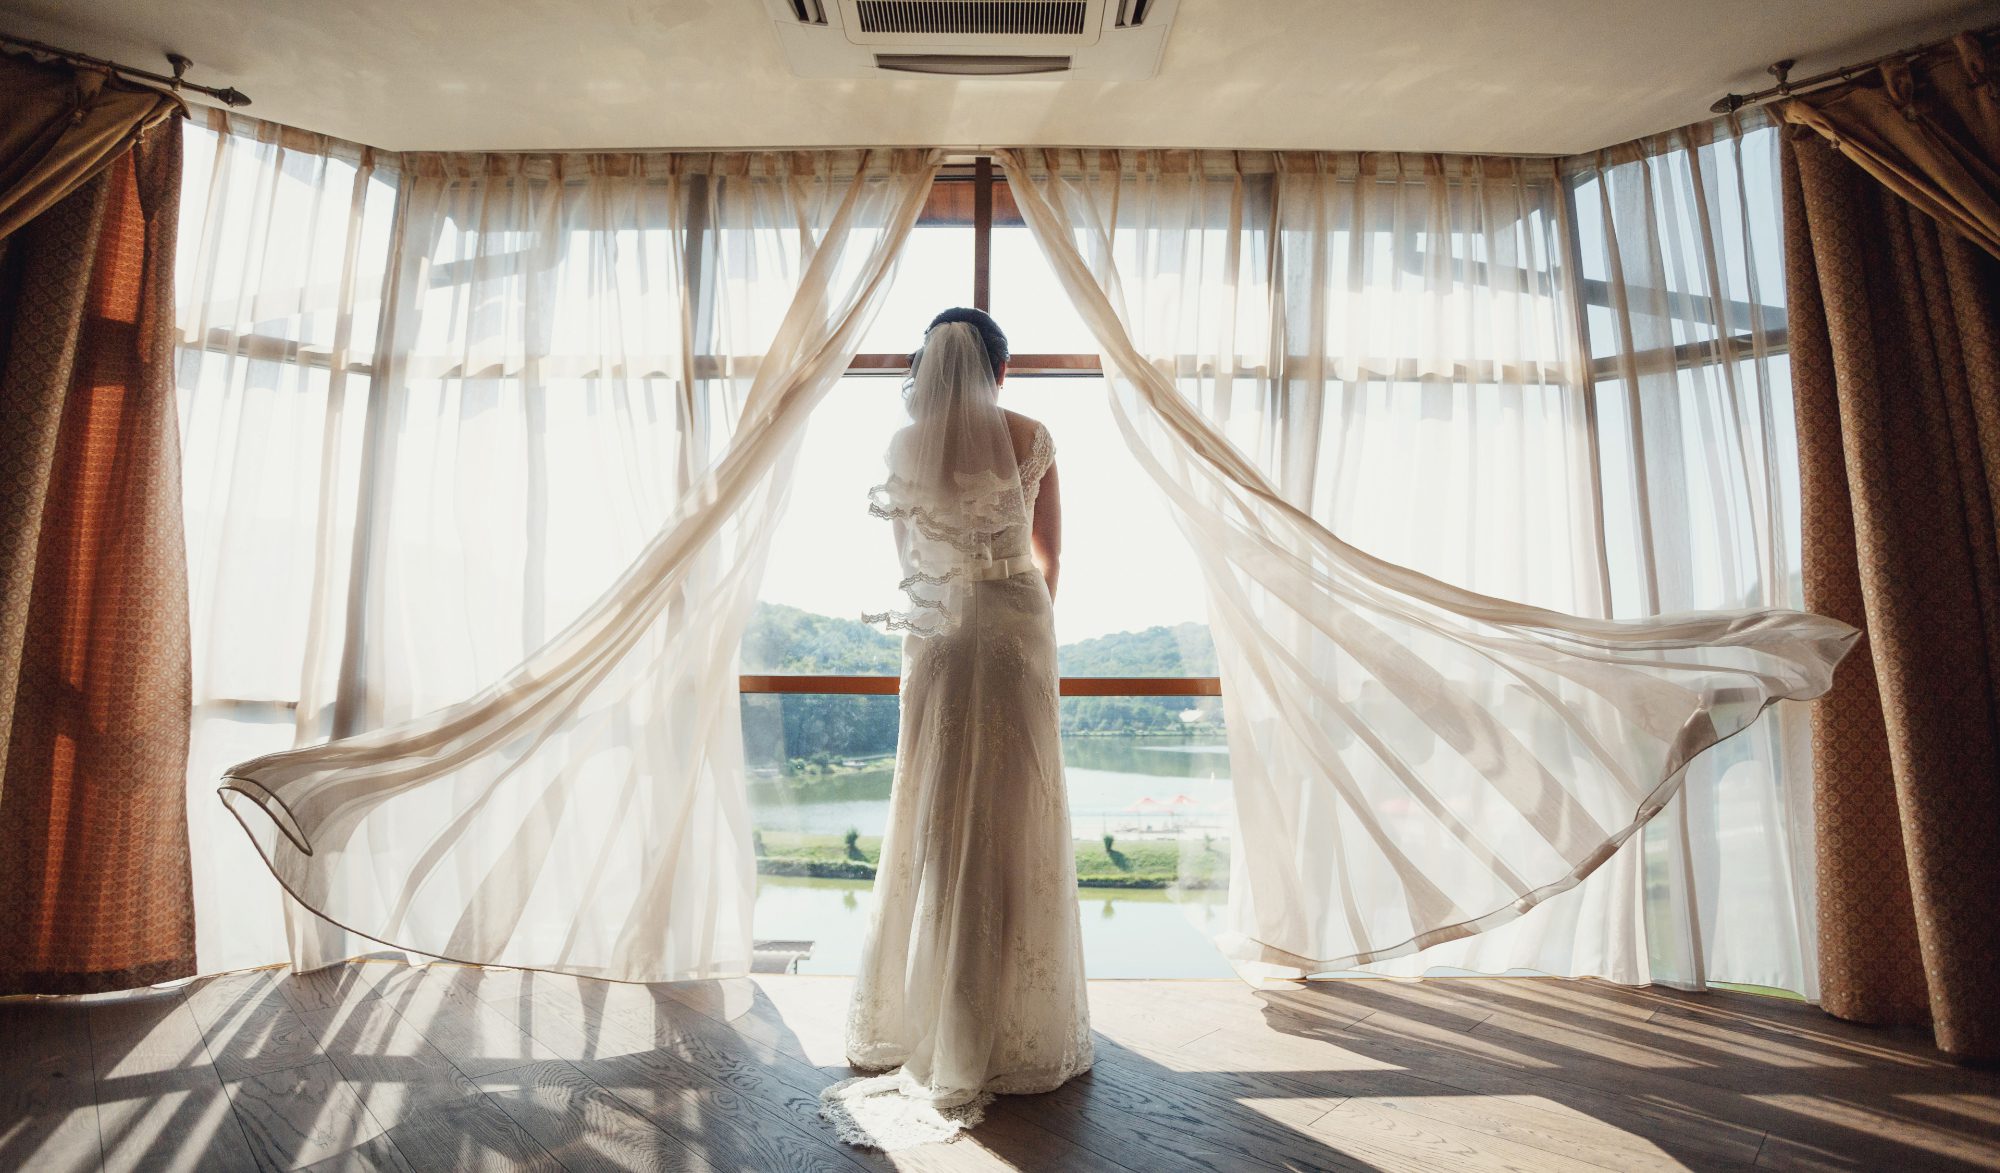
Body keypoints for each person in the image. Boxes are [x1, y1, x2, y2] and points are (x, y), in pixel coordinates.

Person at [819, 308, 1092, 1149]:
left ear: (932, 368)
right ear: (998, 370)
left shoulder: (907, 447)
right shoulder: (1032, 433)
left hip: (938, 632)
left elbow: (909, 563)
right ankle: (1008, 1024)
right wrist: (1023, 621)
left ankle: (925, 1015)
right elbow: (1050, 556)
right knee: (1014, 817)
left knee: (935, 814)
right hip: (1014, 628)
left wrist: (953, 603)